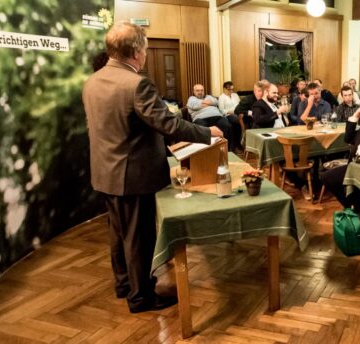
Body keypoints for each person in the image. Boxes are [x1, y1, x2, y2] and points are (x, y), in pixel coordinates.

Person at [83, 22, 223, 313]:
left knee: (117, 235)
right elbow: (168, 123)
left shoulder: (92, 81)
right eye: (144, 49)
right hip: (132, 175)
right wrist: (208, 133)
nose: (145, 54)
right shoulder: (137, 84)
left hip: (104, 172)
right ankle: (141, 297)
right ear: (136, 52)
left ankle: (124, 284)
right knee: (138, 238)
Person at [187, 84, 233, 149]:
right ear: (194, 92)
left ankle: (226, 149)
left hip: (216, 116)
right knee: (202, 128)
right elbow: (194, 106)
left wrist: (206, 103)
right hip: (200, 118)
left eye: (202, 90)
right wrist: (208, 103)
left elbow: (216, 102)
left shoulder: (208, 96)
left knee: (226, 125)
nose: (200, 92)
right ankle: (206, 150)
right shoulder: (191, 98)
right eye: (197, 91)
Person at [218, 81, 242, 150]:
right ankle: (237, 145)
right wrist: (231, 112)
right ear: (224, 89)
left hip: (238, 113)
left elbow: (240, 105)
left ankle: (240, 144)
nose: (231, 91)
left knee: (242, 119)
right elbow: (221, 111)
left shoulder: (235, 95)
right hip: (228, 115)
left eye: (232, 89)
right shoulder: (221, 97)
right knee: (237, 121)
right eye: (229, 89)